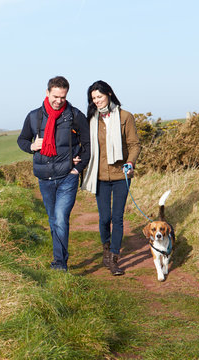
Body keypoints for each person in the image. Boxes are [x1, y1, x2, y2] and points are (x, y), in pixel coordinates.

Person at [17, 76, 90, 271]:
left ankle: (59, 263)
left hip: (67, 176)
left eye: (63, 97)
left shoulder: (75, 115)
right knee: (53, 220)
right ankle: (60, 256)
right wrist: (32, 146)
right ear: (47, 92)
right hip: (44, 178)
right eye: (55, 96)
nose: (58, 101)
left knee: (59, 218)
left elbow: (88, 145)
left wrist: (77, 168)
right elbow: (22, 140)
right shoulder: (34, 117)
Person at [80, 80, 141, 275]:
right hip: (99, 176)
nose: (97, 101)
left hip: (121, 175)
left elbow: (134, 145)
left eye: (99, 96)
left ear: (109, 94)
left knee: (118, 217)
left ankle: (114, 258)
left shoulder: (126, 117)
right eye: (93, 98)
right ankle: (106, 249)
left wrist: (130, 163)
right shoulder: (90, 119)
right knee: (105, 218)